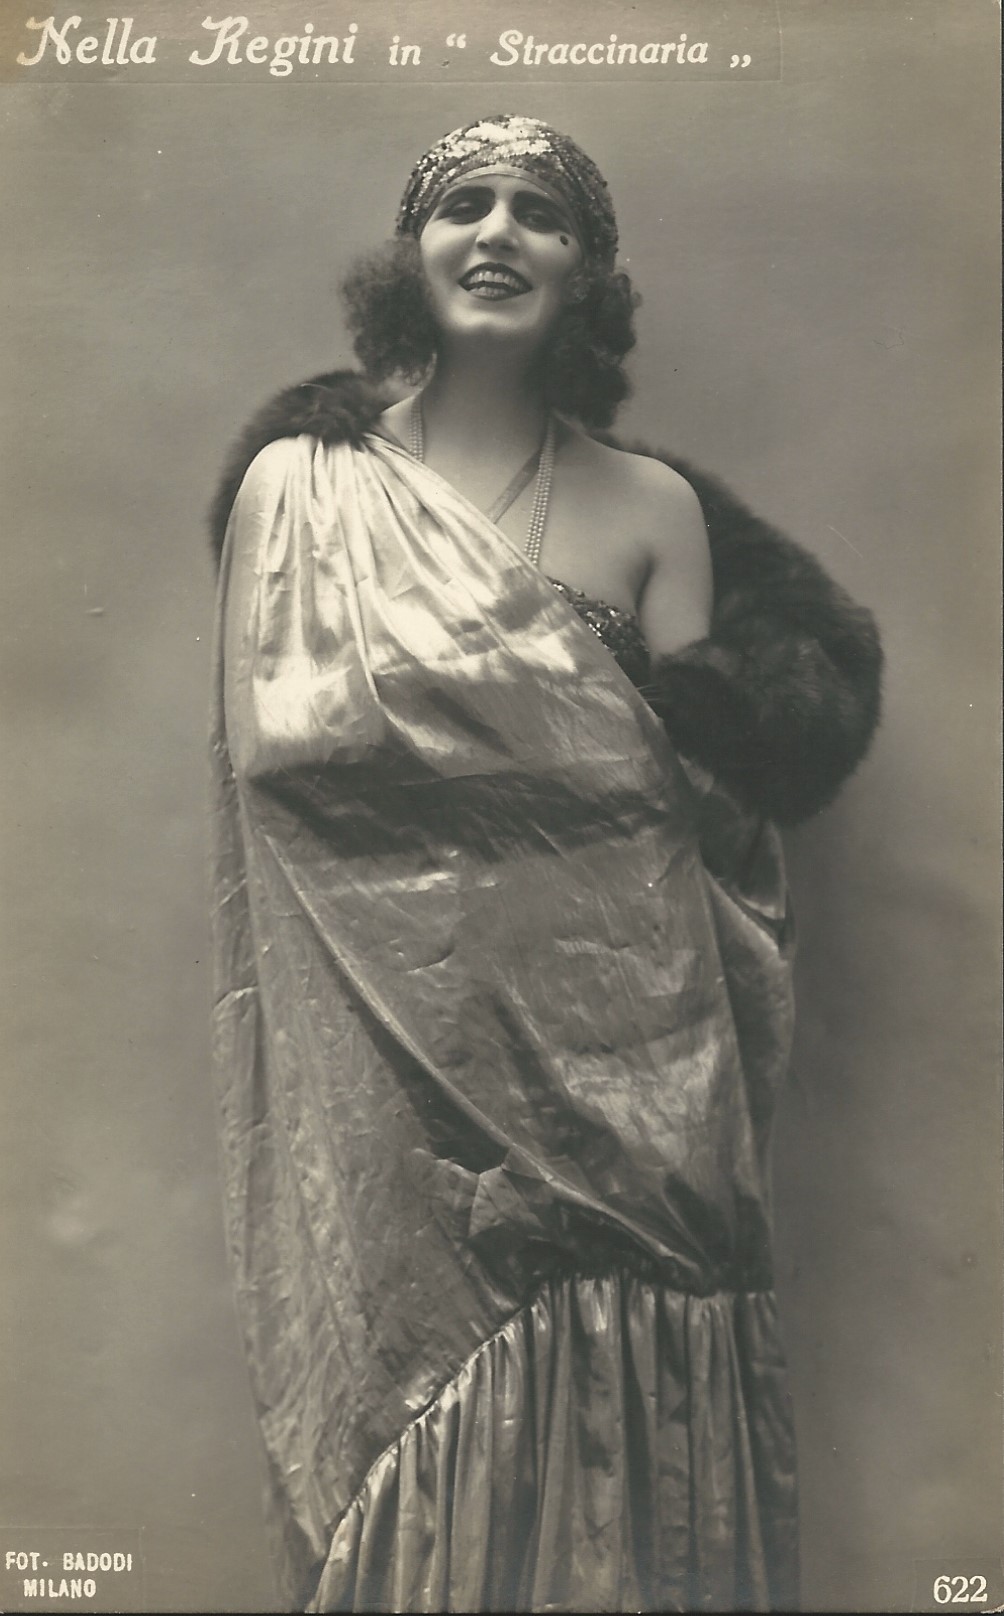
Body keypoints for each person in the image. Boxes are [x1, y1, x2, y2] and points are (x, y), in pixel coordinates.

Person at [208, 115, 882, 1614]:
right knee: (409, 1415)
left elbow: (697, 805)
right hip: (397, 1051)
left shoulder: (652, 509)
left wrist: (560, 746)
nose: (500, 230)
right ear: (412, 255)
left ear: (591, 275)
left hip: (634, 1050)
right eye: (466, 203)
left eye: (542, 213)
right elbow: (275, 767)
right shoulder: (300, 493)